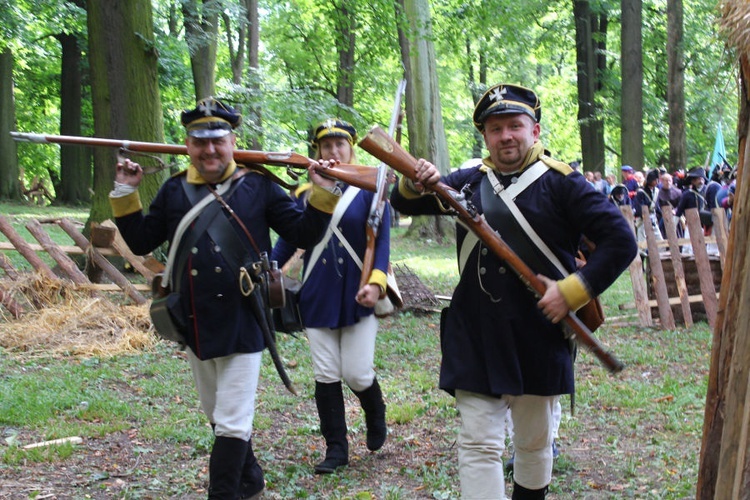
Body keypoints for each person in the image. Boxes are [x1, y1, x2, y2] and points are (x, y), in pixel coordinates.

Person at [390, 83, 638, 499]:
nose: (505, 135)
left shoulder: (563, 184)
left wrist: (573, 291)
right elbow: (407, 203)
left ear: (534, 130)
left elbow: (620, 241)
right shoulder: (467, 182)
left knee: (533, 444)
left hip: (537, 332)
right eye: (495, 128)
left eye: (514, 126)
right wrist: (419, 182)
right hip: (475, 331)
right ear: (485, 136)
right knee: (477, 443)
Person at [109, 98, 341, 499]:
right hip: (194, 321)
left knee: (233, 422)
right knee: (217, 417)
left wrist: (322, 193)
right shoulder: (174, 189)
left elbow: (304, 234)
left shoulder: (259, 186)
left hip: (244, 317)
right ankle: (250, 480)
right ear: (188, 145)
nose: (210, 150)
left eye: (218, 140)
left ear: (233, 141)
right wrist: (125, 191)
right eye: (200, 142)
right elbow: (141, 240)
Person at [272, 119, 390, 475]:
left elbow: (381, 242)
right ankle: (336, 448)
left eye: (340, 144)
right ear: (317, 151)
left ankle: (375, 410)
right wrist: (272, 267)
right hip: (317, 291)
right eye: (326, 146)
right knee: (326, 373)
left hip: (358, 290)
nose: (333, 151)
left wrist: (377, 282)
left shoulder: (372, 188)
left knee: (356, 372)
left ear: (351, 148)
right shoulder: (304, 193)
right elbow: (290, 238)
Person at [632, 169, 662, 244]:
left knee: (659, 239)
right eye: (655, 180)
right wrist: (644, 215)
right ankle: (642, 254)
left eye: (657, 180)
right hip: (642, 218)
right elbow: (639, 207)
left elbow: (657, 205)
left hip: (653, 217)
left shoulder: (657, 191)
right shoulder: (641, 192)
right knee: (642, 239)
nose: (657, 182)